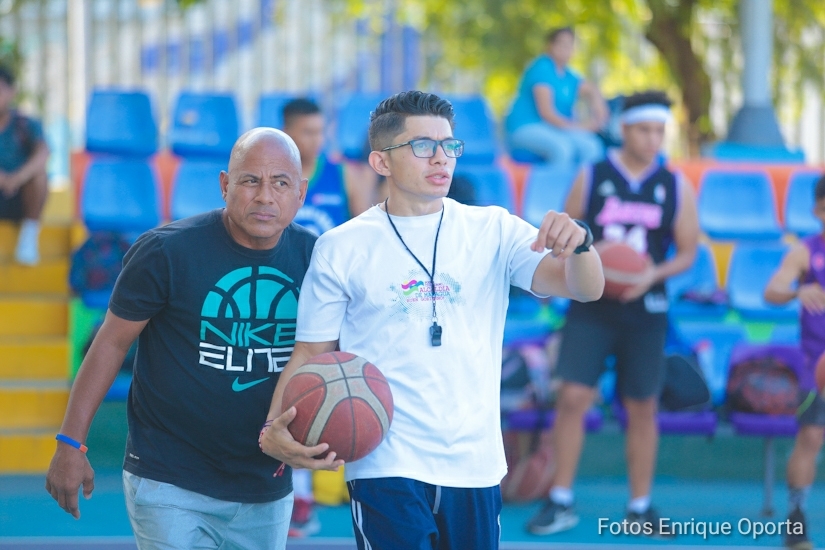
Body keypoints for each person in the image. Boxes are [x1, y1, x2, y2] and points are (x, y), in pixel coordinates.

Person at [260, 90, 604, 549]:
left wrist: (580, 245)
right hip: (386, 462)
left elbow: (585, 287)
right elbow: (311, 352)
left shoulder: (494, 229)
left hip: (475, 463)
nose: (441, 157)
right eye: (422, 146)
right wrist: (271, 429)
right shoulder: (341, 246)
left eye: (449, 145)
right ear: (381, 162)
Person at [45, 128, 316, 550]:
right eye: (250, 181)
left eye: (280, 183)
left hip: (265, 481)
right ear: (225, 185)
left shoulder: (317, 261)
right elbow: (111, 344)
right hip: (169, 477)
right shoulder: (166, 251)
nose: (265, 196)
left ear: (300, 193)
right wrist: (69, 442)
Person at [525, 90, 699, 537]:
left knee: (642, 406)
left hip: (647, 308)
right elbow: (568, 230)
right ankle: (560, 498)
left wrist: (650, 274)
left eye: (660, 131)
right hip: (591, 305)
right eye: (644, 129)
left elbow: (689, 252)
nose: (653, 139)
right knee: (573, 398)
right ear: (624, 129)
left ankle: (640, 507)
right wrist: (590, 252)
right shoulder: (592, 174)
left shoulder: (675, 185)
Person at [764, 174, 825, 550]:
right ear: (819, 210)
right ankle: (796, 517)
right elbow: (771, 291)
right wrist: (796, 290)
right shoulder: (806, 252)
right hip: (816, 363)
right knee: (812, 436)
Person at [505, 27, 607, 166]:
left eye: (570, 44)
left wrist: (598, 110)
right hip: (525, 128)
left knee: (592, 146)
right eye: (561, 43)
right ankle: (555, 187)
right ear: (549, 46)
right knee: (562, 149)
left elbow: (591, 90)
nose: (565, 48)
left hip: (554, 130)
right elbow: (547, 114)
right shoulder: (542, 67)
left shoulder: (568, 75)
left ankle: (584, 186)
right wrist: (582, 127)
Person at [282, 98, 374, 235]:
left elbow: (365, 231)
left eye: (320, 132)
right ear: (286, 132)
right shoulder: (272, 176)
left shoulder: (344, 174)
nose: (317, 140)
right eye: (308, 132)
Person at [0, 65, 49, 265]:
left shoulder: (26, 124)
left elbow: (43, 153)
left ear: (12, 92)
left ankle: (28, 238)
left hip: (20, 198)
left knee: (39, 176)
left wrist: (16, 178)